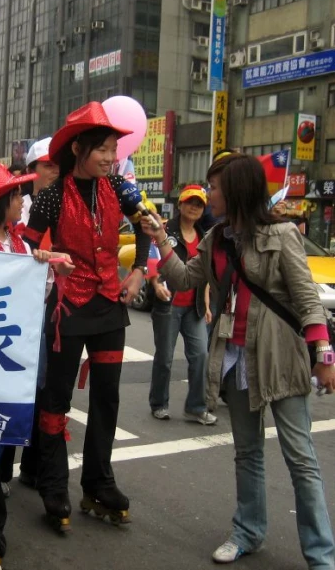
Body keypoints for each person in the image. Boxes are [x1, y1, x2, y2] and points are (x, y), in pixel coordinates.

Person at [140, 153, 335, 567]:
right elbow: (182, 279)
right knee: (247, 452)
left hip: (280, 354)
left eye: (214, 186)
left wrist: (324, 354)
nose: (208, 194)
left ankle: (321, 556)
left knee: (300, 458)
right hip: (233, 354)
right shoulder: (217, 239)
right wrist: (160, 236)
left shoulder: (282, 235)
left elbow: (306, 301)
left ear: (237, 189)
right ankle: (248, 531)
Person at [23, 102, 151, 530]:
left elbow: (146, 226)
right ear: (79, 147)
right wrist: (45, 258)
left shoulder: (119, 188)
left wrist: (137, 272)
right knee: (57, 399)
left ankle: (99, 481)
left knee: (107, 398)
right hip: (67, 308)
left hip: (109, 306)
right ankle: (54, 485)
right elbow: (23, 246)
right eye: (104, 150)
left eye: (115, 150)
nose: (111, 158)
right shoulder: (52, 196)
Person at [0, 159, 74, 570]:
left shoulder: (23, 246)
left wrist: (44, 267)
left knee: (0, 434)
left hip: (14, 360)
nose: (24, 201)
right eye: (17, 194)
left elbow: (36, 298)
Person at [148, 185, 216, 424]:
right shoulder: (166, 230)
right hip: (169, 303)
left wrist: (206, 303)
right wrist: (156, 284)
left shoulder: (206, 236)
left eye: (199, 204)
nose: (194, 207)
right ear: (181, 204)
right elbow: (153, 258)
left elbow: (204, 273)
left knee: (200, 355)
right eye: (190, 202)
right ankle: (159, 403)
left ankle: (196, 407)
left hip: (194, 306)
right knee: (165, 357)